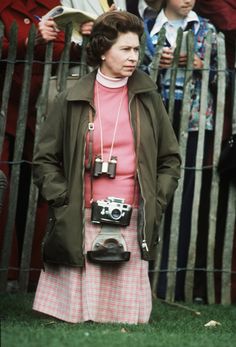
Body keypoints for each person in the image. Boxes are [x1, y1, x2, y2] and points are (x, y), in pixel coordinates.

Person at [32, 10, 181, 324]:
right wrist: (63, 198)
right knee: (76, 314)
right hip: (81, 211)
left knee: (126, 319)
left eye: (136, 49)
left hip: (132, 213)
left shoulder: (148, 97)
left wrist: (157, 198)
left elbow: (169, 160)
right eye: (125, 49)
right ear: (102, 51)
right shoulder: (71, 97)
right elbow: (44, 160)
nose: (133, 57)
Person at [0, 0, 86, 288]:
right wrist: (29, 40)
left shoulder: (52, 5)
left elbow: (61, 53)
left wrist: (84, 43)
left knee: (43, 184)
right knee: (3, 185)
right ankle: (7, 273)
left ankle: (37, 275)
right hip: (4, 103)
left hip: (39, 106)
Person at [141, 0, 218, 301]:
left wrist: (201, 66)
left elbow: (222, 76)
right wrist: (154, 64)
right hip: (155, 123)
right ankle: (141, 276)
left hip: (196, 123)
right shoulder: (147, 29)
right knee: (151, 196)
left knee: (186, 202)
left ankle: (173, 282)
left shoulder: (207, 31)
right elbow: (133, 75)